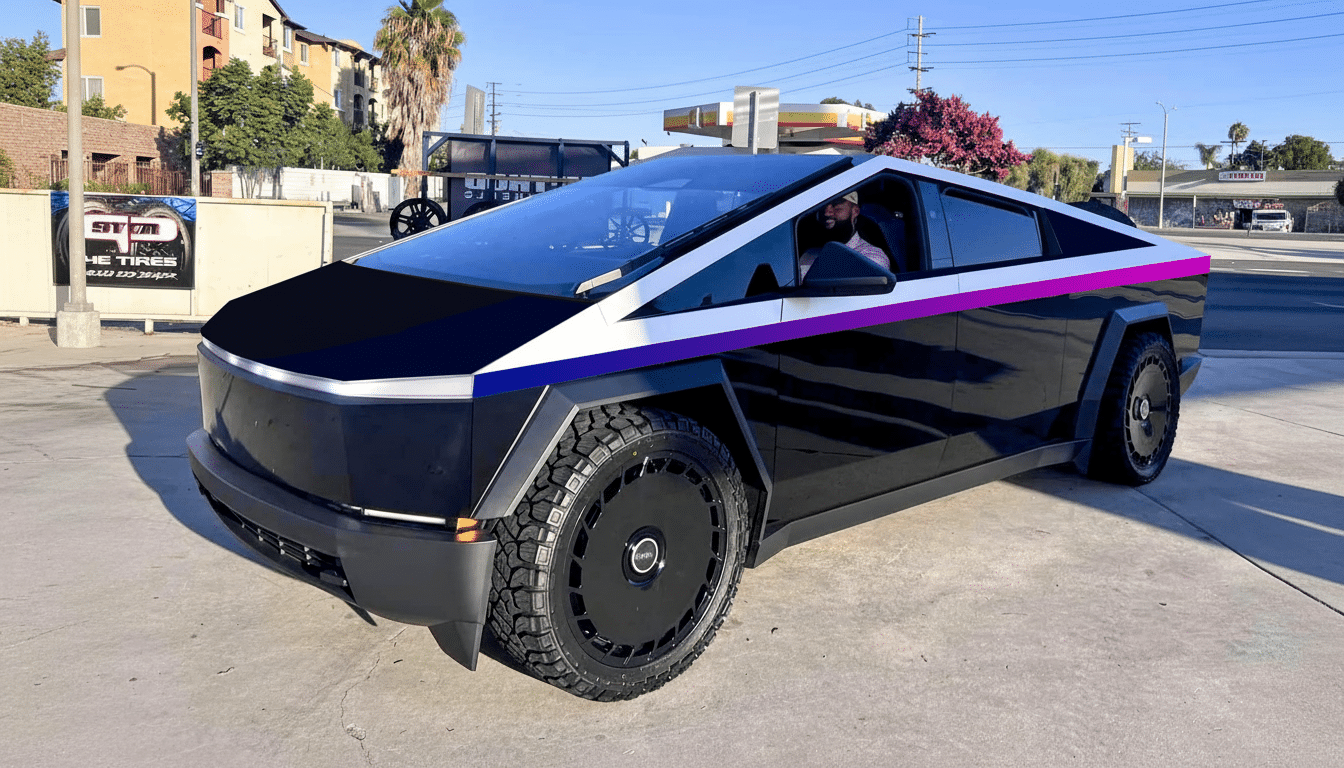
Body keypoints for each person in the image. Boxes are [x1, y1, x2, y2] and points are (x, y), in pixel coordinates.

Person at [799, 191, 890, 279]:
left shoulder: (872, 257)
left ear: (855, 211)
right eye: (823, 205)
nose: (826, 213)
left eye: (836, 203)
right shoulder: (809, 254)